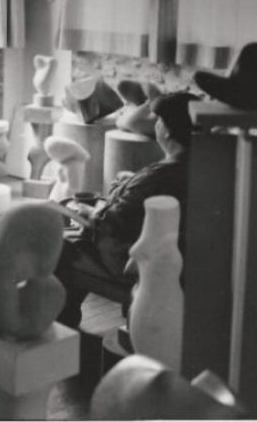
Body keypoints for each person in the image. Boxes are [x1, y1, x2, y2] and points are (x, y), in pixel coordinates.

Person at [55, 91, 199, 326]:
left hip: (132, 259)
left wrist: (90, 212)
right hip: (182, 258)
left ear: (167, 130)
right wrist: (130, 184)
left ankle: (65, 325)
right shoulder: (203, 164)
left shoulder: (157, 176)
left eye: (158, 120)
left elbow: (112, 224)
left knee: (60, 245)